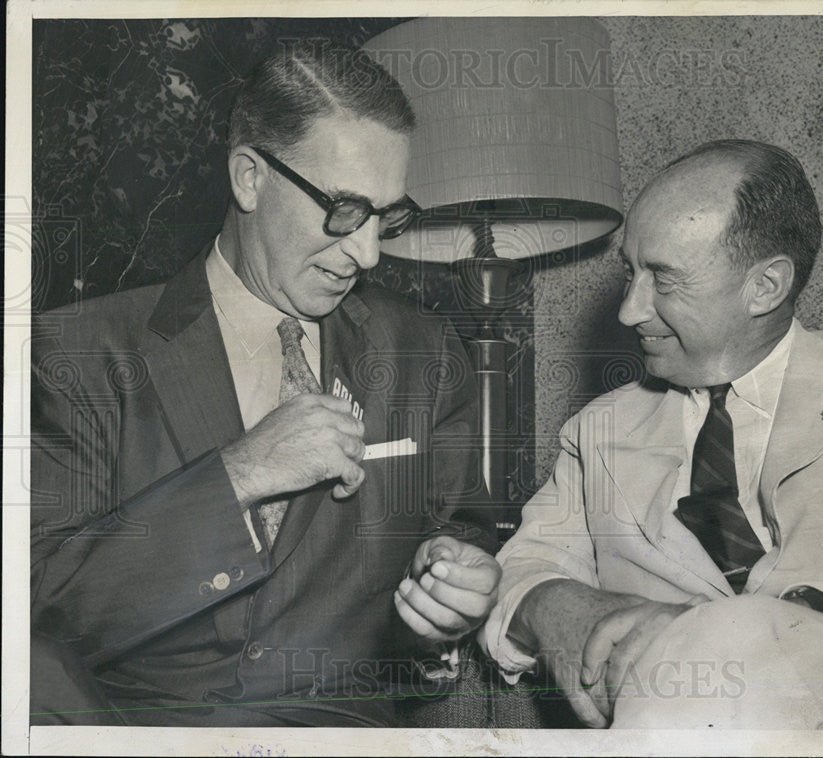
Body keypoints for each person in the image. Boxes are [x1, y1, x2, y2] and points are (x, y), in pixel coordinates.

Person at [30, 44, 500, 727]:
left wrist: (443, 606)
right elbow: (43, 609)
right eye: (343, 211)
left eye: (387, 217)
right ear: (249, 178)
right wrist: (240, 473)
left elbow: (460, 544)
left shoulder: (424, 351)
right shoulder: (76, 351)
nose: (366, 254)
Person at [480, 140, 823, 730]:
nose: (628, 311)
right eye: (630, 273)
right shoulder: (598, 432)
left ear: (765, 286)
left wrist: (777, 629)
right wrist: (553, 606)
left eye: (663, 280)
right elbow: (522, 566)